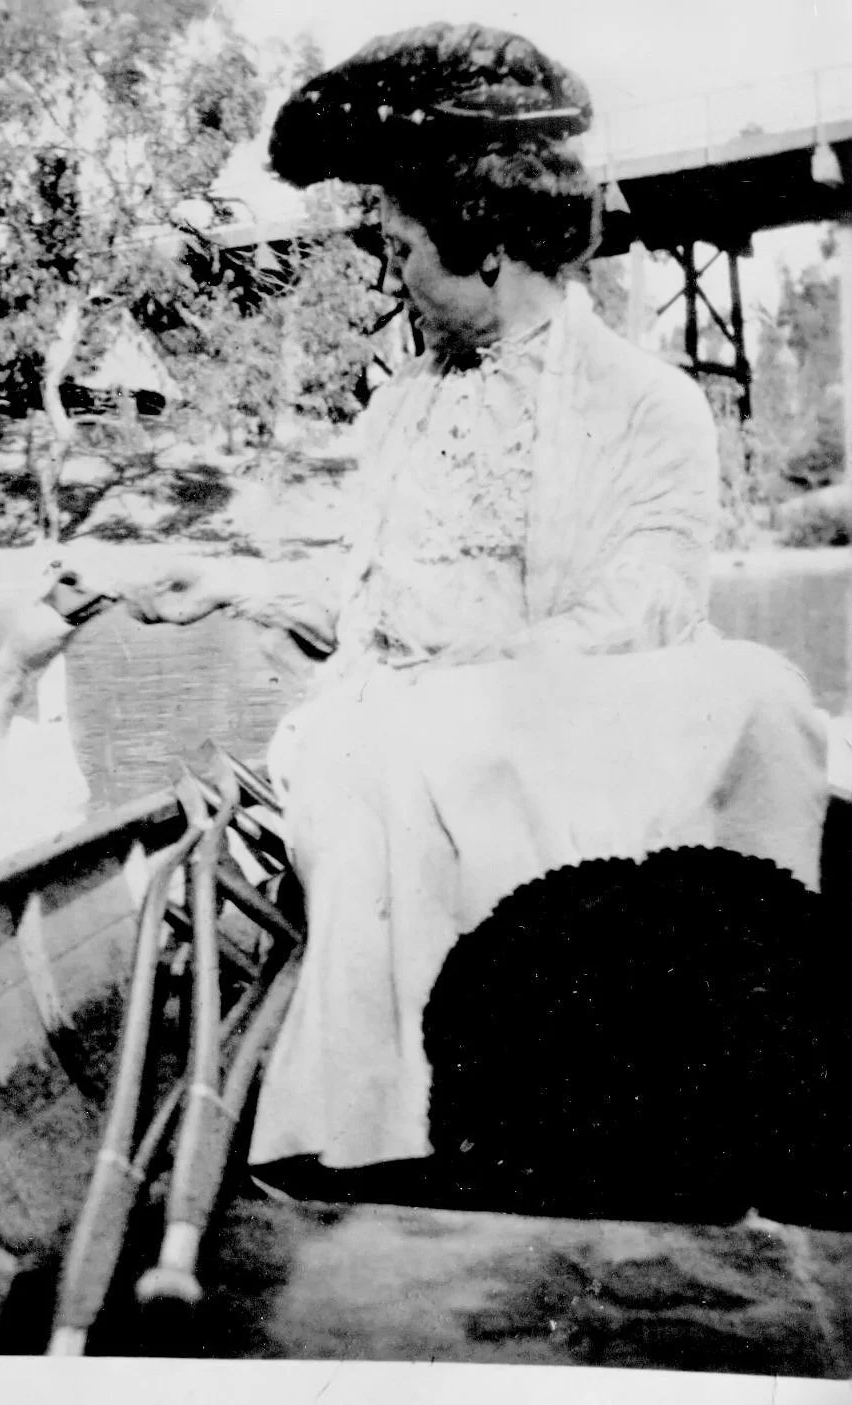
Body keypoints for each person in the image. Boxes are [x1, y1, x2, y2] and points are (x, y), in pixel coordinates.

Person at [125, 24, 828, 1176]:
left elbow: (646, 604)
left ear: (489, 246)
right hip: (408, 714)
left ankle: (731, 1064)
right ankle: (401, 1124)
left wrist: (481, 663)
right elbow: (369, 607)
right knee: (394, 743)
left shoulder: (651, 404)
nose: (392, 273)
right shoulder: (400, 407)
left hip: (578, 703)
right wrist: (229, 591)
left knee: (762, 693)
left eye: (404, 250)